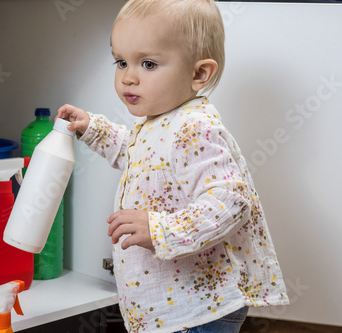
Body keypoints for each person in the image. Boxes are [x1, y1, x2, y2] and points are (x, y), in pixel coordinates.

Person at [57, 0, 289, 332]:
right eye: (121, 62)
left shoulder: (193, 127)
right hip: (175, 306)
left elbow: (231, 202)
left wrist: (161, 229)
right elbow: (139, 157)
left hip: (197, 309)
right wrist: (94, 128)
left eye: (148, 64)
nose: (128, 77)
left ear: (198, 74)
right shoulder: (159, 123)